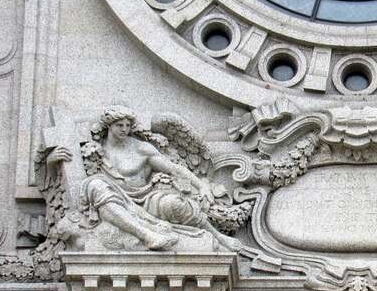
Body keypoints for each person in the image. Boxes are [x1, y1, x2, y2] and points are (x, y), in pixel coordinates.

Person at [48, 107, 240, 251]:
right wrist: (51, 161)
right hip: (114, 201)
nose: (124, 129)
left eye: (127, 125)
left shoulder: (141, 148)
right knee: (95, 185)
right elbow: (63, 182)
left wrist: (201, 185)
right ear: (108, 126)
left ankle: (218, 237)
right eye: (119, 125)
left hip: (146, 198)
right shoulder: (93, 150)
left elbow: (174, 169)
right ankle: (148, 236)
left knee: (177, 205)